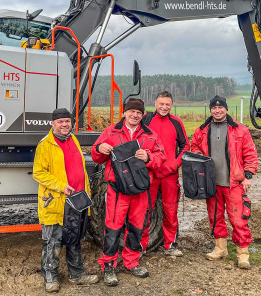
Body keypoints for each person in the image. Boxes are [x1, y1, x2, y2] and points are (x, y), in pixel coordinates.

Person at [91, 98, 166, 286]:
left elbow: (161, 157)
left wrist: (149, 157)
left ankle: (132, 262)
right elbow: (96, 155)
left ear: (143, 115)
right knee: (113, 227)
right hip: (117, 188)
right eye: (132, 112)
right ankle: (109, 265)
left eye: (139, 113)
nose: (135, 115)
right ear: (124, 113)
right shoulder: (111, 132)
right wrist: (101, 148)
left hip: (140, 189)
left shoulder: (150, 135)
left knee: (136, 228)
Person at [33, 108, 99, 293]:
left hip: (76, 200)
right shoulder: (45, 145)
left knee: (74, 238)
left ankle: (77, 275)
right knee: (52, 241)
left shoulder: (73, 139)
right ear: (53, 124)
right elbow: (38, 173)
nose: (64, 125)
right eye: (60, 122)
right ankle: (50, 277)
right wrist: (61, 186)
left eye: (67, 122)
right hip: (55, 201)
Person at [190, 95, 258, 269]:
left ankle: (243, 254)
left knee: (238, 219)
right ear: (211, 110)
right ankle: (220, 248)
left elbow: (250, 154)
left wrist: (248, 176)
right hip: (211, 183)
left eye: (220, 108)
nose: (217, 110)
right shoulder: (202, 130)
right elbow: (194, 147)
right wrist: (199, 159)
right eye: (214, 108)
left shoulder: (240, 130)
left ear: (226, 109)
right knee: (215, 217)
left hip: (234, 183)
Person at [140, 91, 189, 256]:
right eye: (161, 104)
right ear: (155, 103)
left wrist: (176, 164)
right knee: (145, 210)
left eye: (167, 104)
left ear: (171, 105)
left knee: (170, 210)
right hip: (149, 173)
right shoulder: (146, 120)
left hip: (169, 174)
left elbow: (185, 146)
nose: (164, 107)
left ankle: (170, 245)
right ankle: (141, 246)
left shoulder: (176, 123)